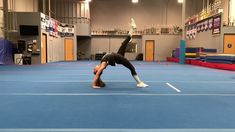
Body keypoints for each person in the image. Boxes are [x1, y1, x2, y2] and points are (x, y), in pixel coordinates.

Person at [92, 18, 148, 89]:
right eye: (94, 69)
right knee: (132, 67)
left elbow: (98, 74)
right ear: (97, 71)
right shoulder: (102, 65)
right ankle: (139, 83)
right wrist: (94, 84)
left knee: (124, 43)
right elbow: (97, 75)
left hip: (117, 57)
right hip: (118, 58)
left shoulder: (101, 63)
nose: (94, 68)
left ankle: (132, 28)